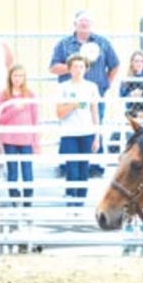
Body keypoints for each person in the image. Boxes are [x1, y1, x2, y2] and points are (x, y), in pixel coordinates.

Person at [49, 10, 118, 176]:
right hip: (69, 95)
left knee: (95, 126)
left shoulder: (102, 43)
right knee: (69, 129)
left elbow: (114, 65)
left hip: (93, 94)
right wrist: (75, 66)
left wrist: (105, 85)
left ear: (92, 25)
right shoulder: (64, 44)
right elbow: (53, 67)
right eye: (81, 22)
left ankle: (94, 167)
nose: (84, 25)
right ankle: (68, 167)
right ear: (75, 24)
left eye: (87, 22)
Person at [56, 54, 100, 206]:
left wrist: (97, 136)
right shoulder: (63, 87)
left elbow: (94, 111)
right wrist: (72, 105)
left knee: (83, 168)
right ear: (69, 69)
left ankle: (81, 200)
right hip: (69, 133)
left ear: (86, 69)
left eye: (81, 66)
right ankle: (70, 197)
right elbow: (59, 113)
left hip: (86, 133)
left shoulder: (91, 87)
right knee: (72, 168)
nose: (78, 69)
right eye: (75, 66)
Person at [0, 65, 39, 207]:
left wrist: (36, 141)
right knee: (12, 169)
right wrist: (14, 109)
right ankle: (14, 196)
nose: (17, 79)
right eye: (15, 76)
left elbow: (34, 118)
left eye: (20, 76)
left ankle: (28, 198)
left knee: (27, 169)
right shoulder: (4, 94)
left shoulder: (30, 94)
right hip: (9, 139)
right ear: (10, 77)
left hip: (26, 138)